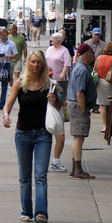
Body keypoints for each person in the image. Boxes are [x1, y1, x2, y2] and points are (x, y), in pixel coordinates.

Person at [3, 50, 61, 223]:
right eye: (33, 62)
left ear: (43, 64)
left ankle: (41, 213)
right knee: (24, 176)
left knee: (41, 175)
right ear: (28, 63)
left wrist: (55, 100)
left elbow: (60, 107)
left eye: (39, 62)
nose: (35, 65)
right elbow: (8, 105)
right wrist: (5, 116)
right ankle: (26, 211)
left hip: (43, 134)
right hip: (23, 134)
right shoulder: (20, 84)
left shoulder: (49, 84)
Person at [67, 43, 97, 179]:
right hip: (78, 106)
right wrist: (84, 109)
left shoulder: (80, 67)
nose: (94, 54)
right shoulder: (82, 70)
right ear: (87, 54)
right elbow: (80, 93)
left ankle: (75, 169)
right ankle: (78, 170)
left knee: (77, 138)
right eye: (92, 51)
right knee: (78, 138)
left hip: (75, 105)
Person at [45, 32, 71, 172]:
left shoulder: (64, 50)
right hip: (49, 79)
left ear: (59, 40)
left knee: (58, 99)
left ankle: (55, 161)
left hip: (59, 80)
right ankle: (54, 161)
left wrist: (62, 73)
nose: (52, 40)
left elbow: (67, 63)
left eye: (54, 39)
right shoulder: (49, 49)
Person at [94, 42, 112, 133]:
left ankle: (105, 126)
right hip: (111, 83)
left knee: (103, 105)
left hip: (100, 83)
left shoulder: (98, 58)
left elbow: (95, 70)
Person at [0, 28, 18, 110]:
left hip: (6, 65)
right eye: (2, 36)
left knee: (4, 86)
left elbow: (15, 55)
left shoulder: (11, 44)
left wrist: (8, 56)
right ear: (0, 36)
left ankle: (2, 104)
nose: (4, 38)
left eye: (5, 36)